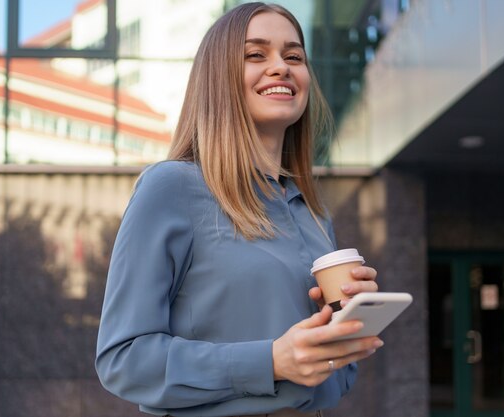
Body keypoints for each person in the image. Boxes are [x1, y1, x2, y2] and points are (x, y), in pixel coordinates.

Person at [95, 3, 381, 416]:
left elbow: (334, 377)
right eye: (255, 54)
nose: (281, 67)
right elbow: (122, 361)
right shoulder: (172, 187)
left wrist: (347, 325)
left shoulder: (313, 213)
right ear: (218, 79)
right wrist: (268, 362)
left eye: (294, 56)